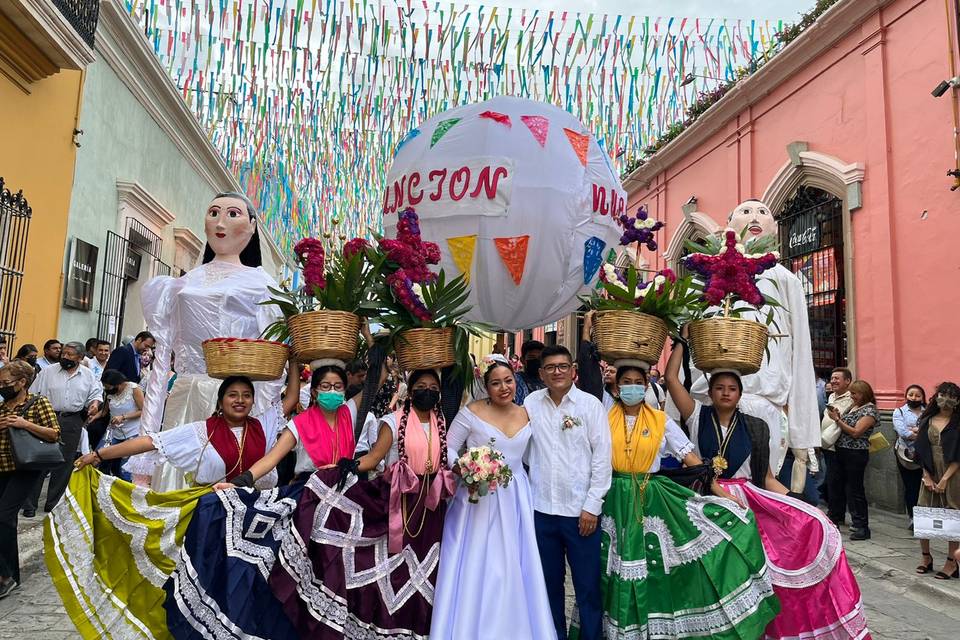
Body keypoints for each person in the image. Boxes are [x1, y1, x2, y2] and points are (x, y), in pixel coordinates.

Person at [572, 316, 778, 639]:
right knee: (611, 568)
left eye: (637, 382)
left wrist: (722, 496)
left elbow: (691, 460)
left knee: (653, 570)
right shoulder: (601, 414)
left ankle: (650, 630)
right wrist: (586, 334)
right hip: (612, 497)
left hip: (651, 495)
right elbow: (587, 376)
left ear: (645, 385)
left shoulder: (659, 421)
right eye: (625, 382)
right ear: (616, 385)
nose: (631, 387)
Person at [666, 332, 869, 639]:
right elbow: (671, 379)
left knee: (744, 571)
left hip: (744, 502)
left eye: (732, 388)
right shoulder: (697, 416)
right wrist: (682, 343)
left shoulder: (756, 427)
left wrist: (799, 502)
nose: (725, 393)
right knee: (705, 571)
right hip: (703, 498)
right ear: (710, 391)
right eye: (719, 388)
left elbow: (767, 478)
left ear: (739, 393)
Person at [266, 368, 456, 639]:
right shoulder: (393, 420)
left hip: (432, 508)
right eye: (421, 386)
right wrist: (349, 466)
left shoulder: (442, 421)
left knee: (428, 572)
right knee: (387, 570)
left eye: (433, 387)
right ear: (410, 391)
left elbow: (449, 457)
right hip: (398, 504)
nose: (428, 391)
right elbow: (375, 456)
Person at [129, 192, 285, 490]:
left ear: (252, 225)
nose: (220, 222)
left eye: (232, 214)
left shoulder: (261, 283)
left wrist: (264, 427)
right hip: (186, 395)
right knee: (177, 485)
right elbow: (162, 362)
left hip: (237, 399)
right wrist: (145, 452)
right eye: (213, 213)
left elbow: (272, 362)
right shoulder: (181, 284)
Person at [430, 361, 557, 639]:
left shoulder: (528, 413)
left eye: (509, 380)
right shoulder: (472, 412)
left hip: (515, 495)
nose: (504, 387)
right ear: (486, 388)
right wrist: (465, 469)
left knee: (514, 558)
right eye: (496, 382)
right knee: (478, 560)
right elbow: (449, 446)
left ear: (516, 382)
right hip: (477, 497)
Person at [524, 344, 610, 640]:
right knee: (548, 587)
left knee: (587, 588)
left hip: (580, 514)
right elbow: (521, 450)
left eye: (563, 366)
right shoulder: (531, 404)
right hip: (542, 511)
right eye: (550, 368)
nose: (557, 372)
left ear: (573, 371)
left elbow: (602, 459)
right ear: (541, 374)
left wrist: (592, 506)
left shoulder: (590, 405)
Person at [75, 375, 283, 490]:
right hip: (211, 509)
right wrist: (97, 454)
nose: (240, 400)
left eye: (246, 395)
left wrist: (294, 363)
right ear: (220, 402)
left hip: (253, 510)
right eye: (233, 395)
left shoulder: (261, 426)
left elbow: (289, 398)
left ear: (253, 401)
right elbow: (149, 442)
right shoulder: (201, 431)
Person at [0, 361, 59, 598]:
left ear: (22, 383)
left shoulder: (38, 403)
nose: (2, 387)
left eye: (6, 383)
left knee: (3, 515)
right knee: (6, 520)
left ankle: (4, 575)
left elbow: (54, 433)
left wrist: (24, 424)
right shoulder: (3, 406)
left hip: (25, 468)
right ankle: (11, 574)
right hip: (2, 466)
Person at [23, 342, 101, 516]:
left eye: (70, 354)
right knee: (39, 460)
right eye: (64, 353)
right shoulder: (48, 372)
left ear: (80, 358)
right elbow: (33, 394)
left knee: (64, 462)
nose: (65, 356)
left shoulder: (88, 375)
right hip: (47, 418)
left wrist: (94, 404)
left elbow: (95, 394)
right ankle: (29, 505)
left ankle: (53, 504)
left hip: (72, 421)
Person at [914, 381, 960, 579]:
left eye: (951, 396)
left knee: (953, 514)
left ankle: (952, 562)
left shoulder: (958, 422)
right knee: (923, 510)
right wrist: (926, 475)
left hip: (953, 472)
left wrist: (944, 480)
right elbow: (921, 448)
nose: (946, 400)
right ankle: (926, 557)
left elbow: (959, 454)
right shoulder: (928, 419)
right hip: (930, 470)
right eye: (942, 394)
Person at [826, 380, 879, 540]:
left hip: (856, 453)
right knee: (839, 485)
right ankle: (837, 517)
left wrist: (837, 420)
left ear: (863, 394)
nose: (852, 396)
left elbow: (856, 432)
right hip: (842, 450)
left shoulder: (870, 410)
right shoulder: (854, 407)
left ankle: (862, 525)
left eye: (855, 393)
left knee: (855, 489)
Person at [92, 370, 144, 481]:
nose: (108, 389)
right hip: (114, 432)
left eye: (109, 387)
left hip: (132, 432)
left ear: (118, 383)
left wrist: (124, 417)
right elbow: (104, 411)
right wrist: (93, 417)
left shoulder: (134, 389)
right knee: (99, 456)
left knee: (125, 468)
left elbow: (143, 411)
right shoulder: (110, 393)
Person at [820, 367, 854, 507]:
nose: (833, 381)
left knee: (839, 481)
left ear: (847, 381)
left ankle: (837, 512)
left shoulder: (852, 398)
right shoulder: (831, 396)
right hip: (827, 444)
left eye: (836, 379)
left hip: (841, 446)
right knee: (831, 480)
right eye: (832, 378)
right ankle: (835, 510)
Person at [893, 384, 926, 526]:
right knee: (911, 485)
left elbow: (931, 431)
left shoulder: (927, 412)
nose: (914, 398)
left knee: (923, 485)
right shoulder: (899, 412)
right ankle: (913, 517)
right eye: (911, 394)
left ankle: (925, 516)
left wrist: (915, 431)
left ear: (923, 397)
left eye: (918, 395)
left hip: (925, 454)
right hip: (906, 454)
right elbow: (903, 433)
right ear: (906, 396)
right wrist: (921, 432)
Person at [513, 339, 546, 405]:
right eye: (531, 357)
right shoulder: (514, 380)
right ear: (522, 360)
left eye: (539, 358)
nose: (536, 361)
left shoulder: (548, 380)